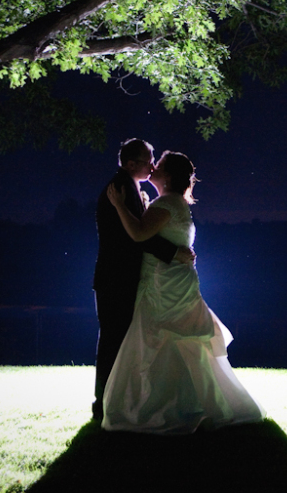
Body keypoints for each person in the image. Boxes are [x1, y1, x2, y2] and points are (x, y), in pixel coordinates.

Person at [102, 151, 264, 433]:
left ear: (168, 176)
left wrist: (119, 205)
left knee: (162, 340)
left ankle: (167, 407)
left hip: (163, 284)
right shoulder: (174, 203)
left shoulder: (166, 203)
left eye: (160, 164)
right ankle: (192, 403)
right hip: (177, 281)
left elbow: (139, 234)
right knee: (183, 343)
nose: (154, 166)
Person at [92, 139, 194, 420]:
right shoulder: (121, 188)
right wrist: (173, 252)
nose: (152, 165)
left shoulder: (129, 187)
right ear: (131, 164)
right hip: (116, 278)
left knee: (119, 341)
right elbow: (137, 237)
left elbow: (140, 232)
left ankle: (116, 401)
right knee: (113, 341)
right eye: (149, 160)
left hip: (123, 278)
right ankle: (104, 404)